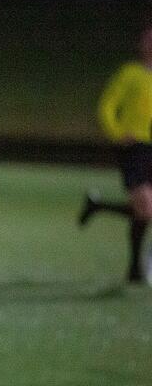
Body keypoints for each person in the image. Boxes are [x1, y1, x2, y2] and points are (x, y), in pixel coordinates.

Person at [80, 26, 152, 284]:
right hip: (135, 148)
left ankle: (97, 206)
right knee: (146, 207)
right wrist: (118, 131)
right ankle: (136, 268)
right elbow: (108, 105)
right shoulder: (130, 74)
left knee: (144, 211)